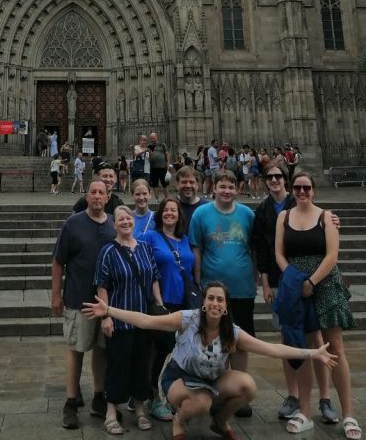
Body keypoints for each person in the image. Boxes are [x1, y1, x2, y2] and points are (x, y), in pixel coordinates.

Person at [83, 282, 338, 440]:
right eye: (211, 298)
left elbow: (271, 349)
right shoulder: (187, 319)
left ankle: (220, 421)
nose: (215, 303)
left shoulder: (232, 332)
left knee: (248, 386)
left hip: (210, 379)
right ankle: (179, 422)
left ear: (225, 306)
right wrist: (109, 311)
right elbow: (145, 320)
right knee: (201, 402)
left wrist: (313, 353)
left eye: (220, 299)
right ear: (204, 302)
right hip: (179, 378)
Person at [275, 171, 358, 438]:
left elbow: (332, 255)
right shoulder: (283, 217)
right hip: (296, 284)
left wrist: (311, 281)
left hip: (323, 283)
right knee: (304, 349)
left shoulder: (326, 217)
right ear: (292, 190)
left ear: (313, 190)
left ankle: (348, 415)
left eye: (306, 188)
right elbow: (279, 253)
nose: (301, 192)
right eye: (297, 188)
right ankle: (305, 413)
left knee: (336, 348)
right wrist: (294, 279)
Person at [253, 163, 338, 424]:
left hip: (313, 281)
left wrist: (333, 220)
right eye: (270, 177)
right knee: (289, 340)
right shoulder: (264, 210)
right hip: (284, 283)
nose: (275, 180)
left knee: (316, 341)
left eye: (279, 176)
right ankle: (293, 397)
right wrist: (266, 283)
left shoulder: (299, 201)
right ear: (265, 181)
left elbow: (322, 229)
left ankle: (324, 398)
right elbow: (263, 249)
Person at [52, 179, 117, 429]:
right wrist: (56, 294)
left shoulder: (113, 224)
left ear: (108, 197)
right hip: (78, 297)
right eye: (93, 192)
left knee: (102, 350)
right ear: (87, 196)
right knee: (76, 349)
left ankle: (99, 398)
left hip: (107, 303)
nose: (98, 196)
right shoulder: (73, 223)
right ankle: (70, 402)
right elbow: (58, 261)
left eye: (102, 193)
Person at [189, 169, 256, 409]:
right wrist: (198, 282)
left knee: (240, 342)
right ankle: (212, 388)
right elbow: (196, 249)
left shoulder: (248, 214)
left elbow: (256, 247)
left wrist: (257, 278)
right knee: (211, 340)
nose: (226, 191)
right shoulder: (201, 214)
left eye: (230, 187)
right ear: (213, 187)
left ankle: (238, 389)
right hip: (211, 291)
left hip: (242, 288)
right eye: (222, 186)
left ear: (236, 189)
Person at [94, 205, 164, 434]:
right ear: (114, 224)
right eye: (120, 219)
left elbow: (154, 276)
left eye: (128, 218)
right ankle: (111, 411)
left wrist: (159, 305)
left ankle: (140, 409)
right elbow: (102, 285)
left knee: (140, 365)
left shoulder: (144, 248)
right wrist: (105, 317)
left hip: (143, 318)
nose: (125, 222)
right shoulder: (108, 251)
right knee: (117, 365)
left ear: (134, 222)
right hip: (119, 319)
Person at [141, 198, 196, 421]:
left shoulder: (184, 239)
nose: (169, 213)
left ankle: (167, 395)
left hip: (182, 302)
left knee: (175, 352)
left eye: (173, 210)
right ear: (160, 214)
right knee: (159, 350)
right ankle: (153, 396)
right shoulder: (150, 236)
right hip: (160, 303)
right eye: (166, 210)